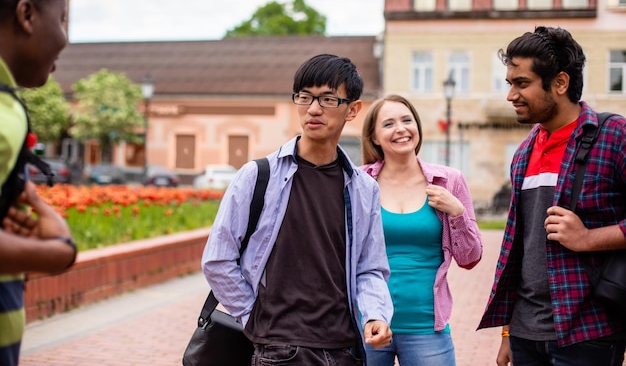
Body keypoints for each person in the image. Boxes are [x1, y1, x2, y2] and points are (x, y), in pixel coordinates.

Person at [202, 53, 393, 365]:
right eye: (305, 97)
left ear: (353, 110)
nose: (314, 109)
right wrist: (254, 317)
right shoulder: (257, 176)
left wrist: (375, 314)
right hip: (279, 349)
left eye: (328, 99)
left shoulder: (363, 188)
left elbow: (369, 268)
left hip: (344, 347)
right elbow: (218, 259)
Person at [478, 26, 626, 366]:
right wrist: (507, 332)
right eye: (509, 84)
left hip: (589, 331)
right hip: (526, 333)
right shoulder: (524, 151)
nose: (510, 95)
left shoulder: (613, 136)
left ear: (559, 83)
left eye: (522, 83)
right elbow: (516, 250)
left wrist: (588, 238)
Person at [360, 94, 483, 366]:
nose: (401, 128)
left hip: (427, 326)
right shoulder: (359, 183)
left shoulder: (449, 181)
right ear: (375, 137)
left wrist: (457, 213)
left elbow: (471, 258)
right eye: (389, 124)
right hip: (367, 325)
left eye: (407, 120)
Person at [0, 0, 77, 364]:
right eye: (61, 19)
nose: (65, 38)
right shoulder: (4, 113)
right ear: (27, 15)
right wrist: (57, 251)